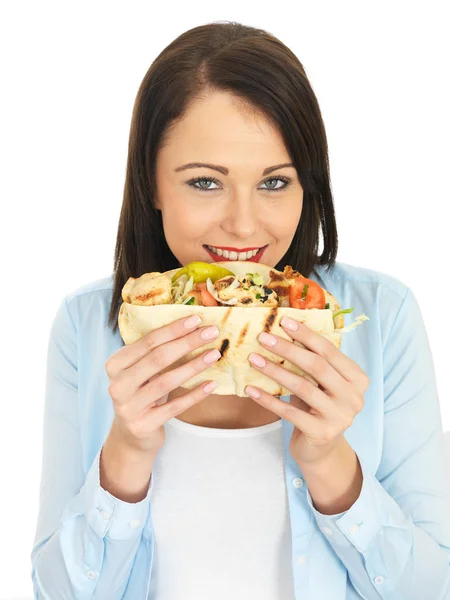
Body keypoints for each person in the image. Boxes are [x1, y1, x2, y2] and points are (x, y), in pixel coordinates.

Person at [30, 20, 450, 600]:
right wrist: (126, 452)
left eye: (275, 183)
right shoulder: (86, 325)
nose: (245, 226)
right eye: (205, 182)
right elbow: (57, 594)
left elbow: (431, 590)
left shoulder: (384, 316)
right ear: (150, 182)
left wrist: (330, 462)